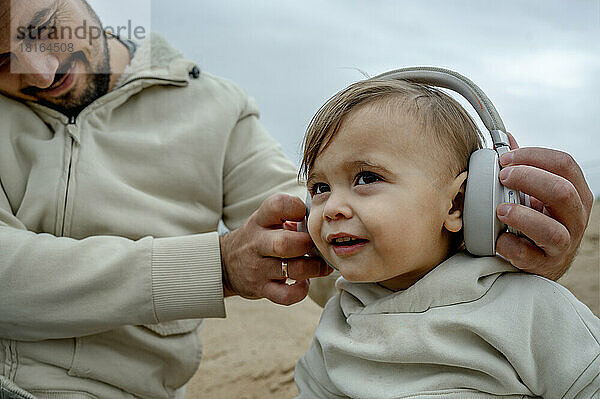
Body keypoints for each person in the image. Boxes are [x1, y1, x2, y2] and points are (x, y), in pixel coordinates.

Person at [0, 1, 594, 398]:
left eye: (42, 28)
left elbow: (305, 238)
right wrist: (216, 264)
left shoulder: (216, 106)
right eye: (1, 58)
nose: (37, 69)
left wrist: (490, 245)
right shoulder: (338, 336)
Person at [294, 79, 600, 397]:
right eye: (320, 187)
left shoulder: (529, 307)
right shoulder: (339, 317)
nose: (331, 208)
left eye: (367, 178)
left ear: (456, 204)